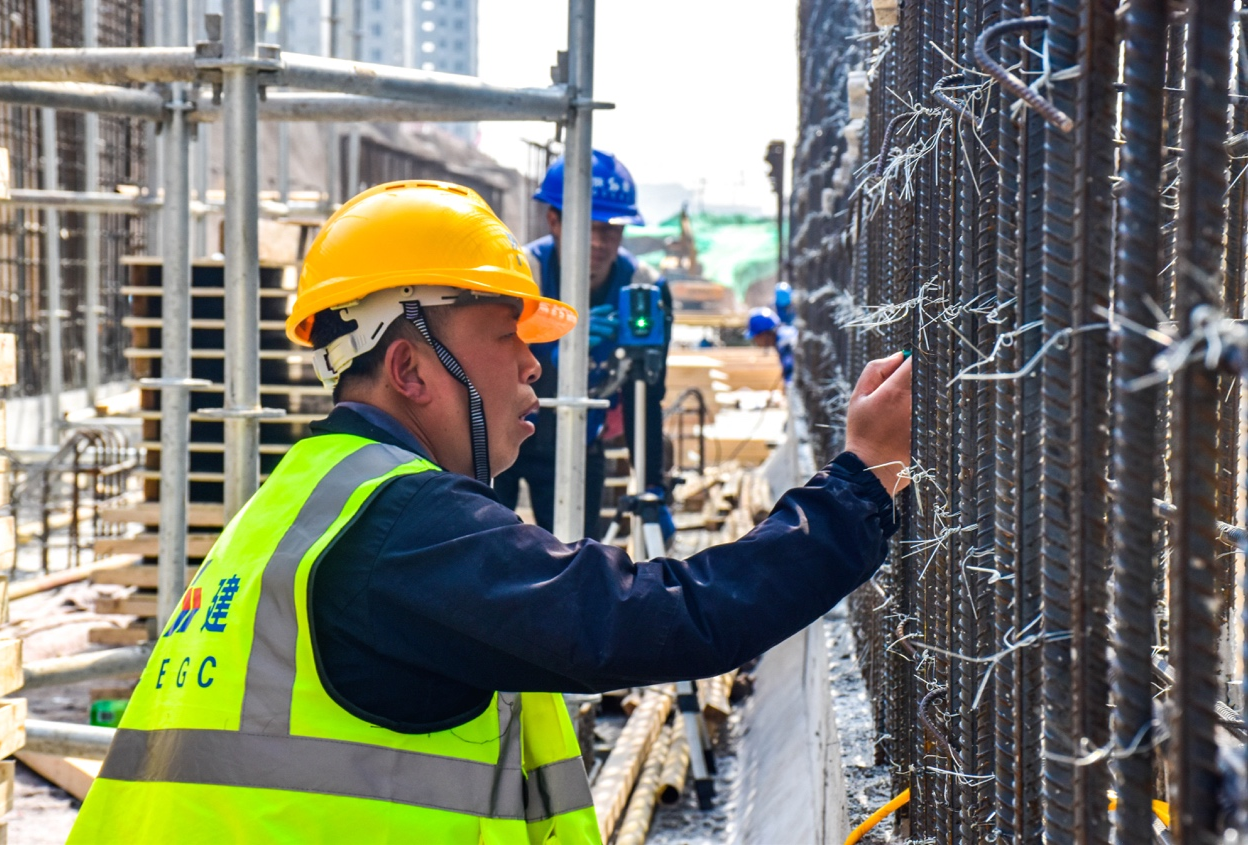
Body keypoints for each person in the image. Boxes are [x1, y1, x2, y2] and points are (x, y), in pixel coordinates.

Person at [68, 181, 912, 844]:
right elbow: (652, 618)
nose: (535, 361)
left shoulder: (305, 499)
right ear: (410, 367)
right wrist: (858, 486)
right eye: (506, 333)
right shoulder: (402, 529)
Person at [493, 149, 673, 541]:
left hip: (578, 447)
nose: (597, 240)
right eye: (586, 225)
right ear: (554, 220)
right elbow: (482, 373)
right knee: (486, 560)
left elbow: (646, 397)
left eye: (610, 228)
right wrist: (555, 359)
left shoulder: (643, 287)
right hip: (501, 443)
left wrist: (653, 487)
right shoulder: (522, 276)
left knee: (575, 565)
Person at [748, 306, 798, 383]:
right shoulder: (783, 336)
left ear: (764, 333)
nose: (755, 341)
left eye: (756, 337)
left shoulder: (785, 344)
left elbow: (790, 379)